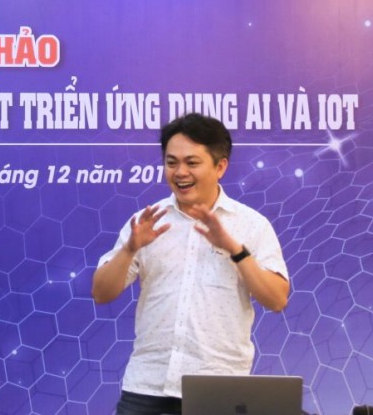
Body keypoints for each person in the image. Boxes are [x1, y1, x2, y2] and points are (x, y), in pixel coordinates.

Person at [92, 113, 290, 415]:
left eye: (192, 163)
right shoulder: (146, 222)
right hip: (147, 387)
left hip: (218, 390)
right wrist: (130, 248)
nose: (180, 172)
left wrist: (235, 250)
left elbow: (277, 299)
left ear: (220, 166)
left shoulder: (252, 225)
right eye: (171, 162)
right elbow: (101, 293)